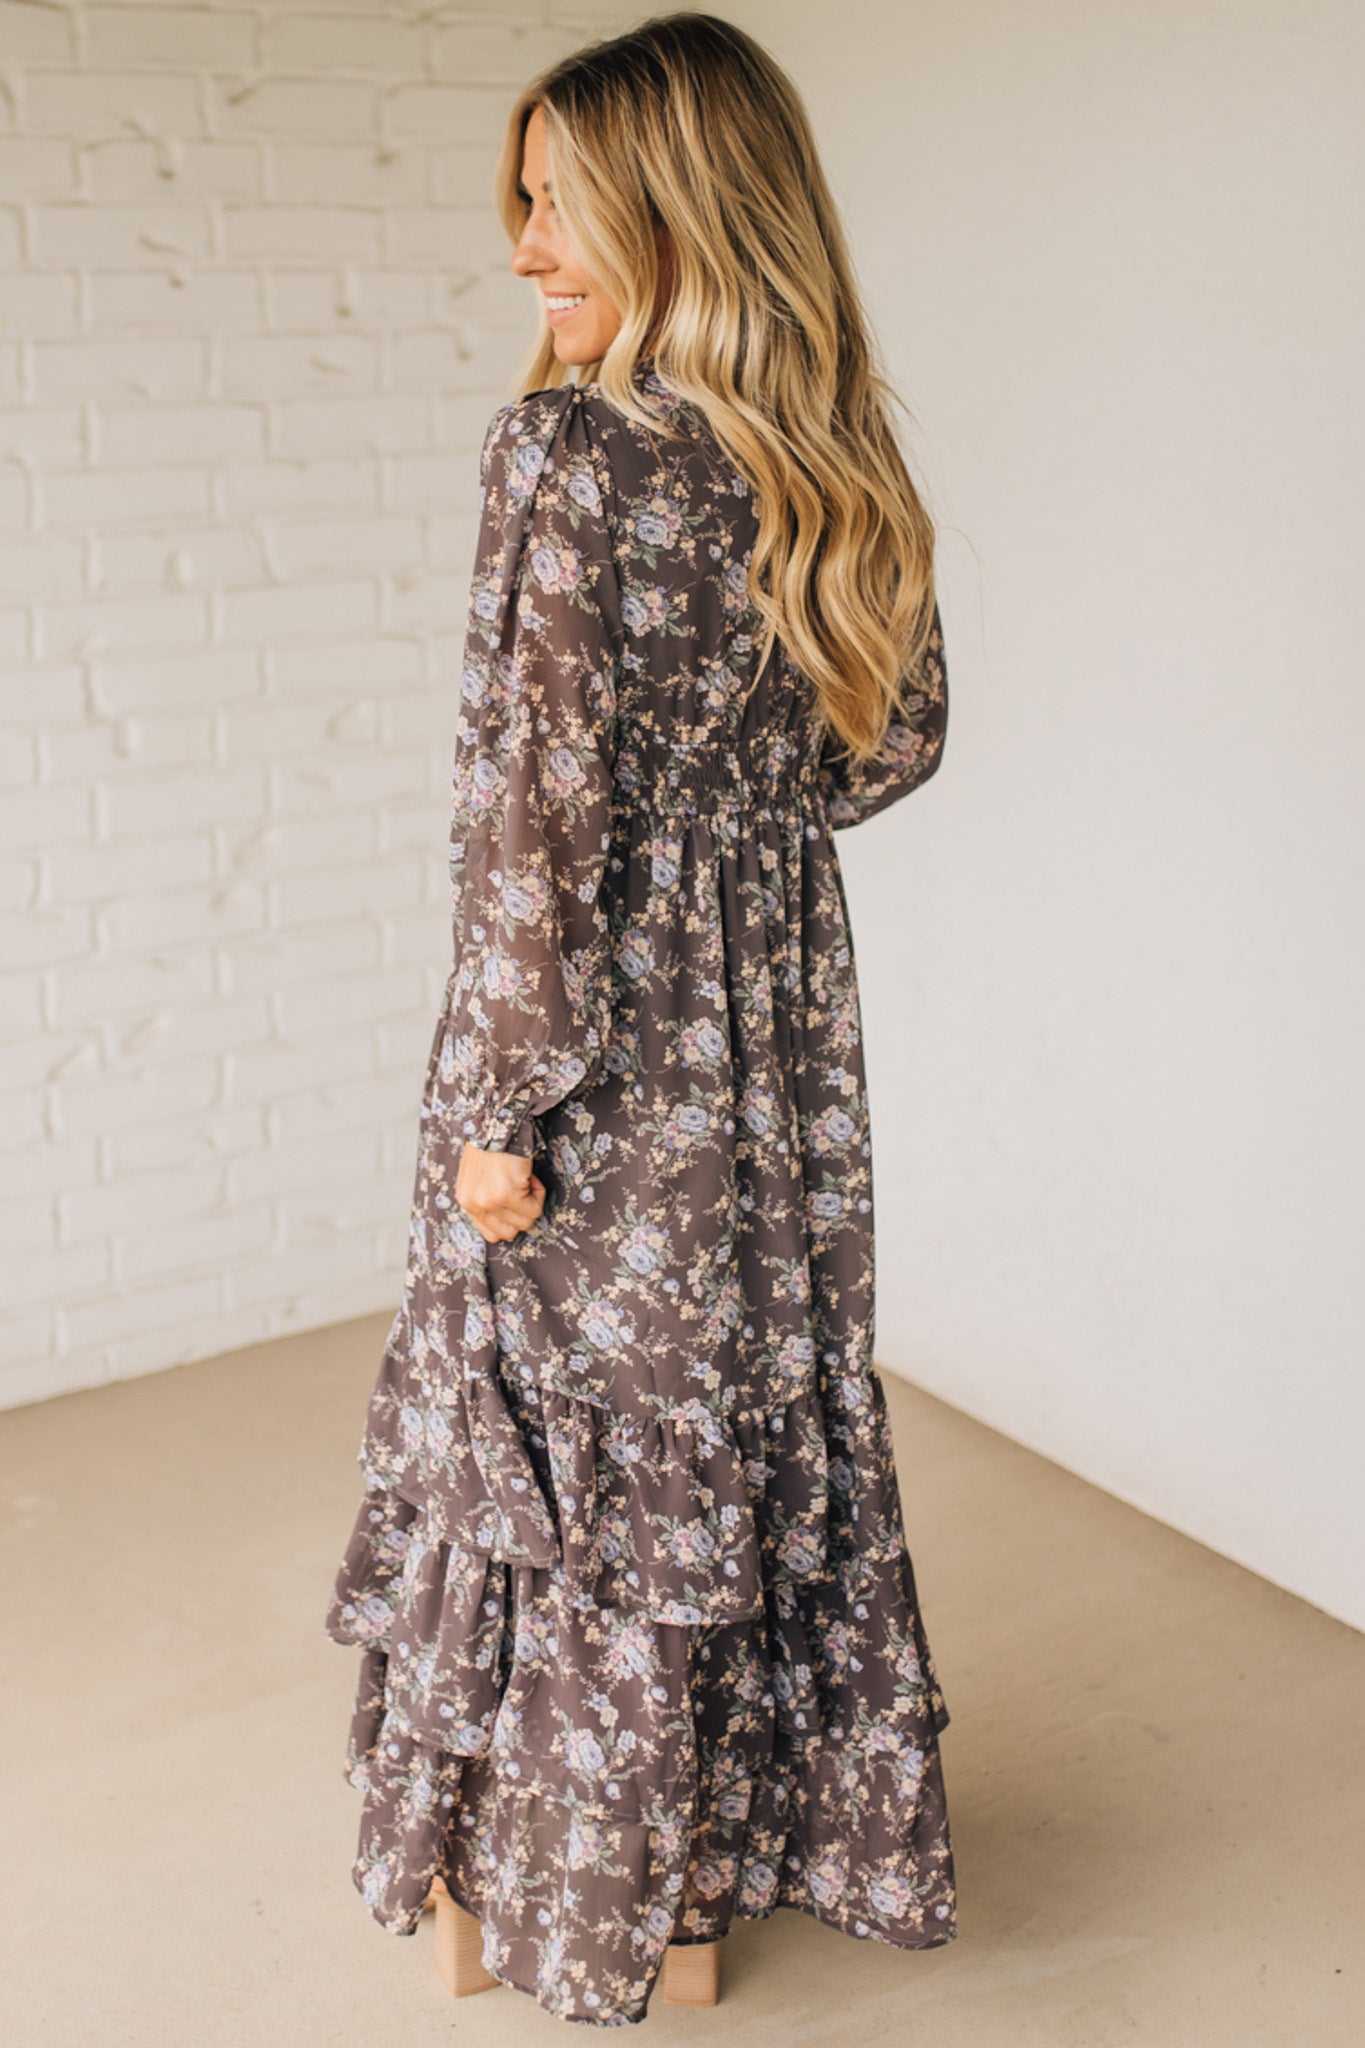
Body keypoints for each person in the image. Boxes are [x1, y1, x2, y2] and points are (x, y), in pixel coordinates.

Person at [324, 11, 955, 2026]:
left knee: (560, 1454)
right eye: (519, 201)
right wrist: (733, 832)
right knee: (727, 1422)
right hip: (772, 1055)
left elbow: (535, 816)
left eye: (561, 203)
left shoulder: (564, 451)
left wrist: (497, 1110)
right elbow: (893, 747)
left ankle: (550, 1892)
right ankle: (696, 1882)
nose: (523, 245)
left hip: (592, 1048)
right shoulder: (830, 455)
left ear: (688, 207)